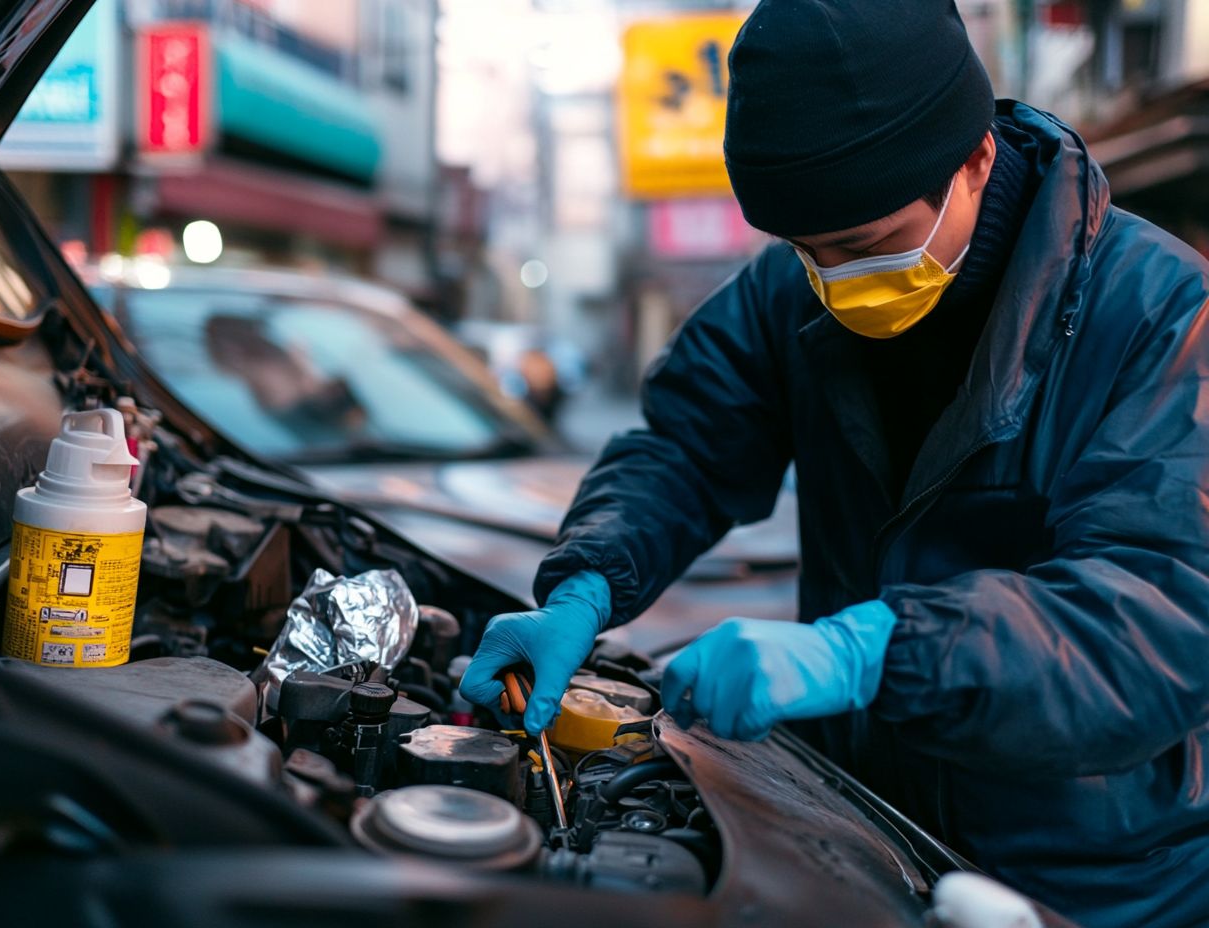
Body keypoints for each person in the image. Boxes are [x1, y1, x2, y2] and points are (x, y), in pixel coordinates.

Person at [460, 2, 1209, 925]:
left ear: (976, 158)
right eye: (807, 251)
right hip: (863, 831)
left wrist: (872, 653)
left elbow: (1159, 616)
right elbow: (685, 446)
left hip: (1097, 878)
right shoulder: (794, 290)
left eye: (864, 246)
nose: (837, 281)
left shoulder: (1162, 316)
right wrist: (584, 584)